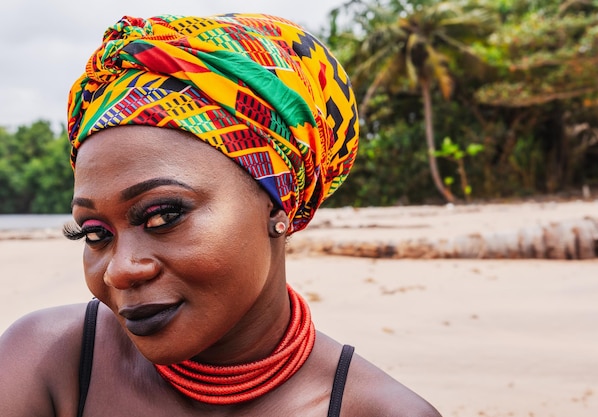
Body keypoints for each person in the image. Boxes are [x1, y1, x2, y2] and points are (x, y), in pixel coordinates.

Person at [0, 13, 441, 417]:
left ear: (277, 205)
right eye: (95, 234)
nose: (119, 271)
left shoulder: (379, 412)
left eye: (162, 216)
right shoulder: (47, 362)